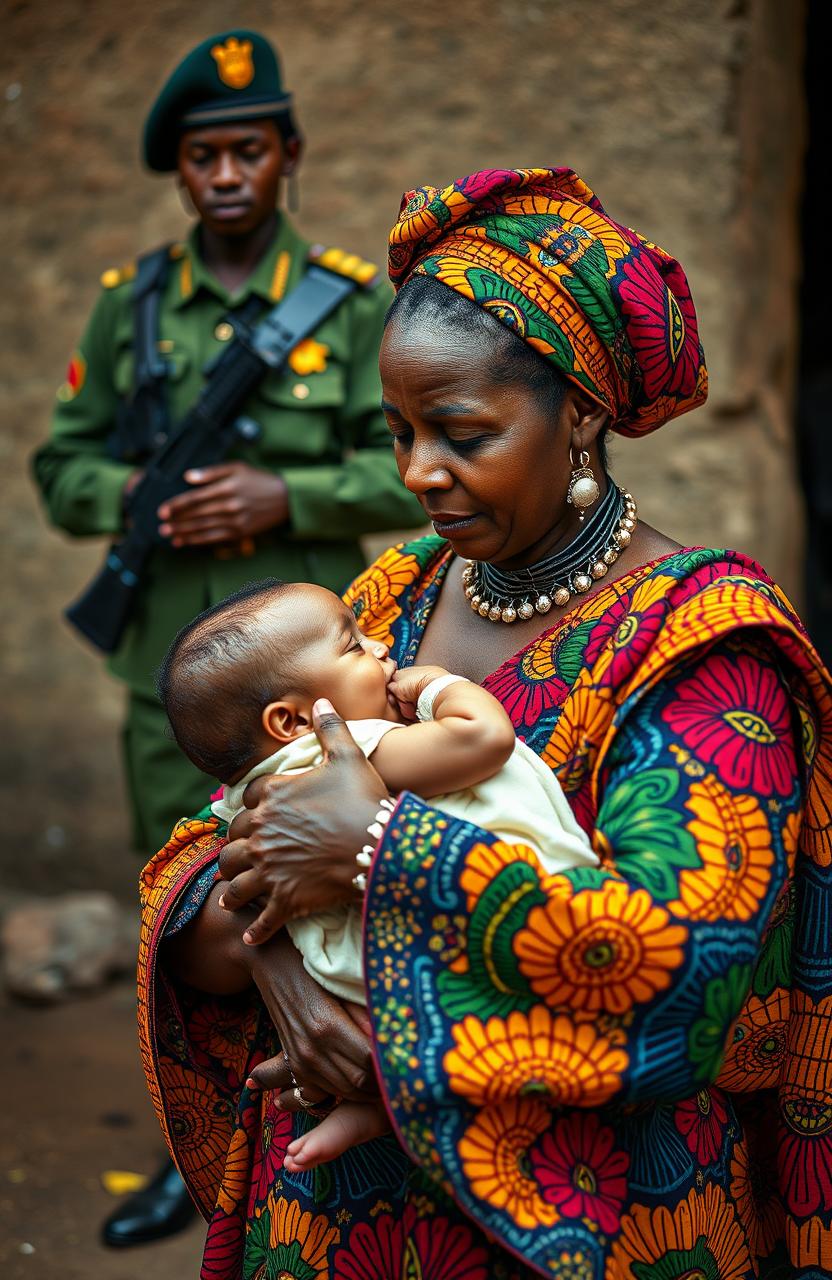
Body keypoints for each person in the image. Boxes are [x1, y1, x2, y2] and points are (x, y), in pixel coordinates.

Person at [137, 168, 832, 1278]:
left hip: (580, 1221)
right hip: (340, 1222)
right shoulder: (393, 595)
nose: (418, 473)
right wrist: (290, 975)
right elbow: (210, 831)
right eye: (400, 430)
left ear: (583, 412)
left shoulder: (702, 644)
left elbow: (687, 974)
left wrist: (374, 849)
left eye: (461, 432)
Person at [31, 28, 423, 1247]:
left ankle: (356, 1115)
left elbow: (406, 462)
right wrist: (141, 502)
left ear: (288, 155)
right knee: (190, 897)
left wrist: (283, 498)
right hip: (177, 671)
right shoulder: (131, 307)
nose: (226, 177)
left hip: (316, 675)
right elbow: (60, 468)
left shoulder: (354, 305)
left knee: (328, 888)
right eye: (203, 158)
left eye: (249, 150)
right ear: (179, 172)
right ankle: (194, 1147)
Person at [156, 575, 598, 1169]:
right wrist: (439, 688)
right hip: (466, 949)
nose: (384, 647)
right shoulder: (353, 748)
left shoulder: (253, 787)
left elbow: (214, 864)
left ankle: (372, 1107)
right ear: (289, 722)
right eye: (355, 646)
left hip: (359, 984)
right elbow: (482, 738)